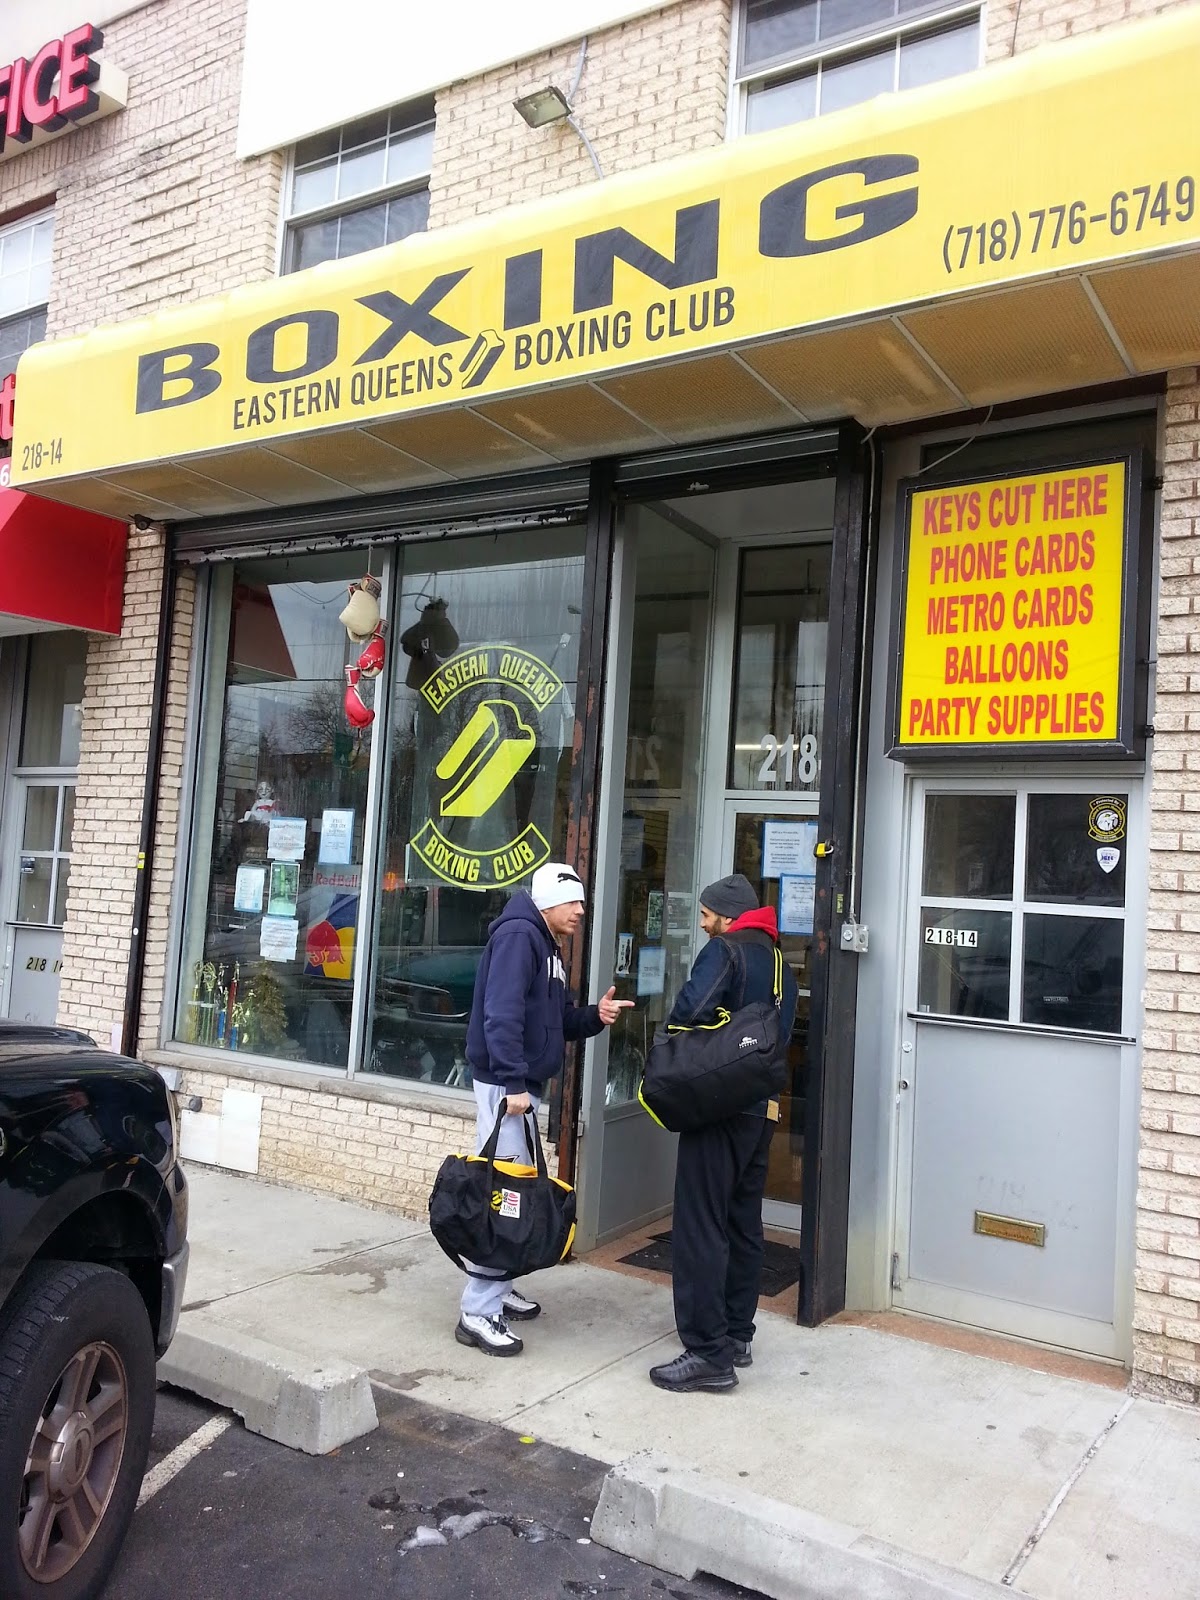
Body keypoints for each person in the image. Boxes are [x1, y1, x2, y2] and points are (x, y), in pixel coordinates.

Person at [456, 861, 632, 1356]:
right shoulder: (519, 936)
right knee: (505, 1194)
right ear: (548, 902)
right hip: (507, 1089)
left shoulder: (543, 944)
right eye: (572, 902)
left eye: (581, 902)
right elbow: (501, 1013)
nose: (580, 911)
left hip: (519, 1087)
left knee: (516, 1192)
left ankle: (498, 1284)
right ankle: (477, 1311)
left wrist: (595, 1017)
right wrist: (513, 1082)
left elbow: (553, 1021)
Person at [649, 873, 798, 1394]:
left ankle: (707, 1353)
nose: (704, 922)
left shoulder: (724, 952)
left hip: (717, 1107)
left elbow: (687, 1012)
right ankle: (737, 1334)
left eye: (709, 914)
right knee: (742, 1222)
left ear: (729, 917)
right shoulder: (781, 963)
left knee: (699, 1225)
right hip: (761, 1110)